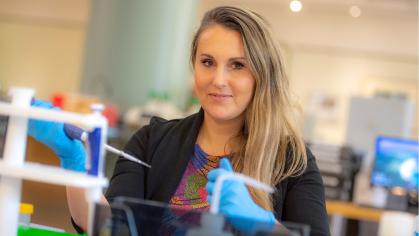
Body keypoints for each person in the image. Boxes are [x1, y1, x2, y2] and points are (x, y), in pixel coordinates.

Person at [28, 6, 329, 235]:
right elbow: (108, 227)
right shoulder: (151, 141)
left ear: (261, 76)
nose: (218, 80)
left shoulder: (293, 162)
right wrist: (76, 168)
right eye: (207, 62)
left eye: (237, 65)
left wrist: (264, 225)